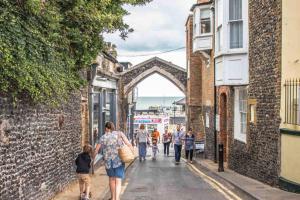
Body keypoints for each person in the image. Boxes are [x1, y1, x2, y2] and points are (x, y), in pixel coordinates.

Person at [94, 122, 134, 200]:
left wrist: (92, 161)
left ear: (106, 128)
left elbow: (96, 150)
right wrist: (132, 152)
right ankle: (117, 198)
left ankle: (112, 198)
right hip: (118, 160)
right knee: (118, 180)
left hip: (108, 162)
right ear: (113, 127)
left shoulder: (103, 137)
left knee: (112, 179)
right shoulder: (119, 134)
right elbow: (128, 144)